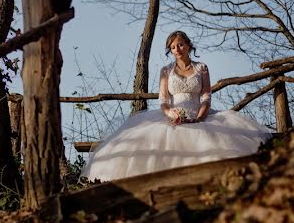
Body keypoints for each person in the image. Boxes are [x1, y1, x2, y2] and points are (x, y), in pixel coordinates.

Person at [81, 30, 272, 183]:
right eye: (173, 47)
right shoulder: (166, 71)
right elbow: (163, 99)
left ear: (188, 45)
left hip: (199, 115)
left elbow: (206, 95)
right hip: (172, 117)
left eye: (180, 44)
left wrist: (201, 115)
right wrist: (170, 114)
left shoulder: (201, 68)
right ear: (170, 51)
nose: (177, 49)